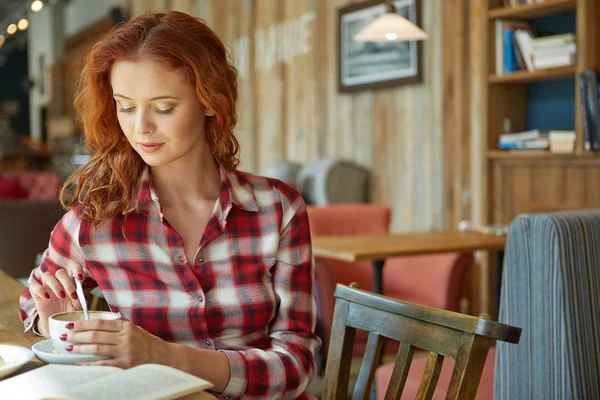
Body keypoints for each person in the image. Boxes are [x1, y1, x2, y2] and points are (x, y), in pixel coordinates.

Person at [19, 10, 320, 399]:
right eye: (125, 106)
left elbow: (297, 366)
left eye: (163, 107)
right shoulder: (95, 221)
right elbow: (32, 305)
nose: (140, 127)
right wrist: (58, 321)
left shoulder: (278, 209)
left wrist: (162, 355)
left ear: (211, 101)